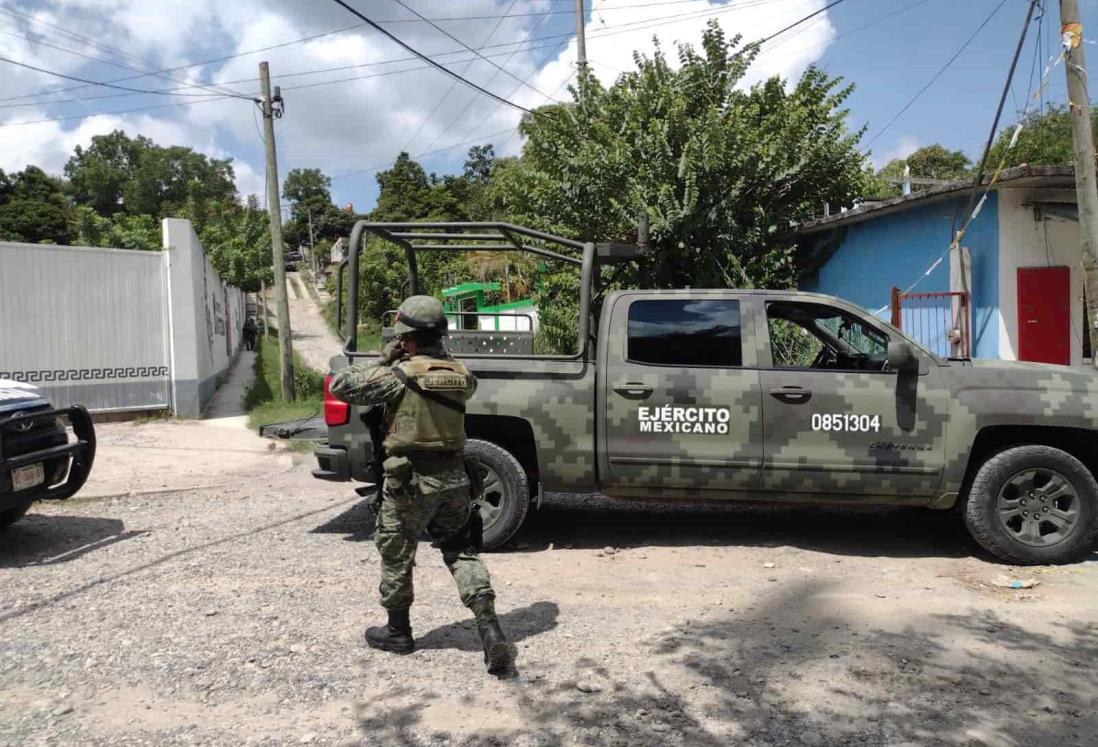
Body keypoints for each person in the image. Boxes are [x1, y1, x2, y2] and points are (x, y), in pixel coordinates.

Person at [329, 295, 514, 674]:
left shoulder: (397, 375)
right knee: (461, 552)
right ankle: (491, 631)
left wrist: (385, 358)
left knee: (396, 553)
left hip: (409, 482)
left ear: (405, 337)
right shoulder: (463, 374)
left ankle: (398, 632)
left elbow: (342, 386)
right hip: (456, 480)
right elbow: (448, 376)